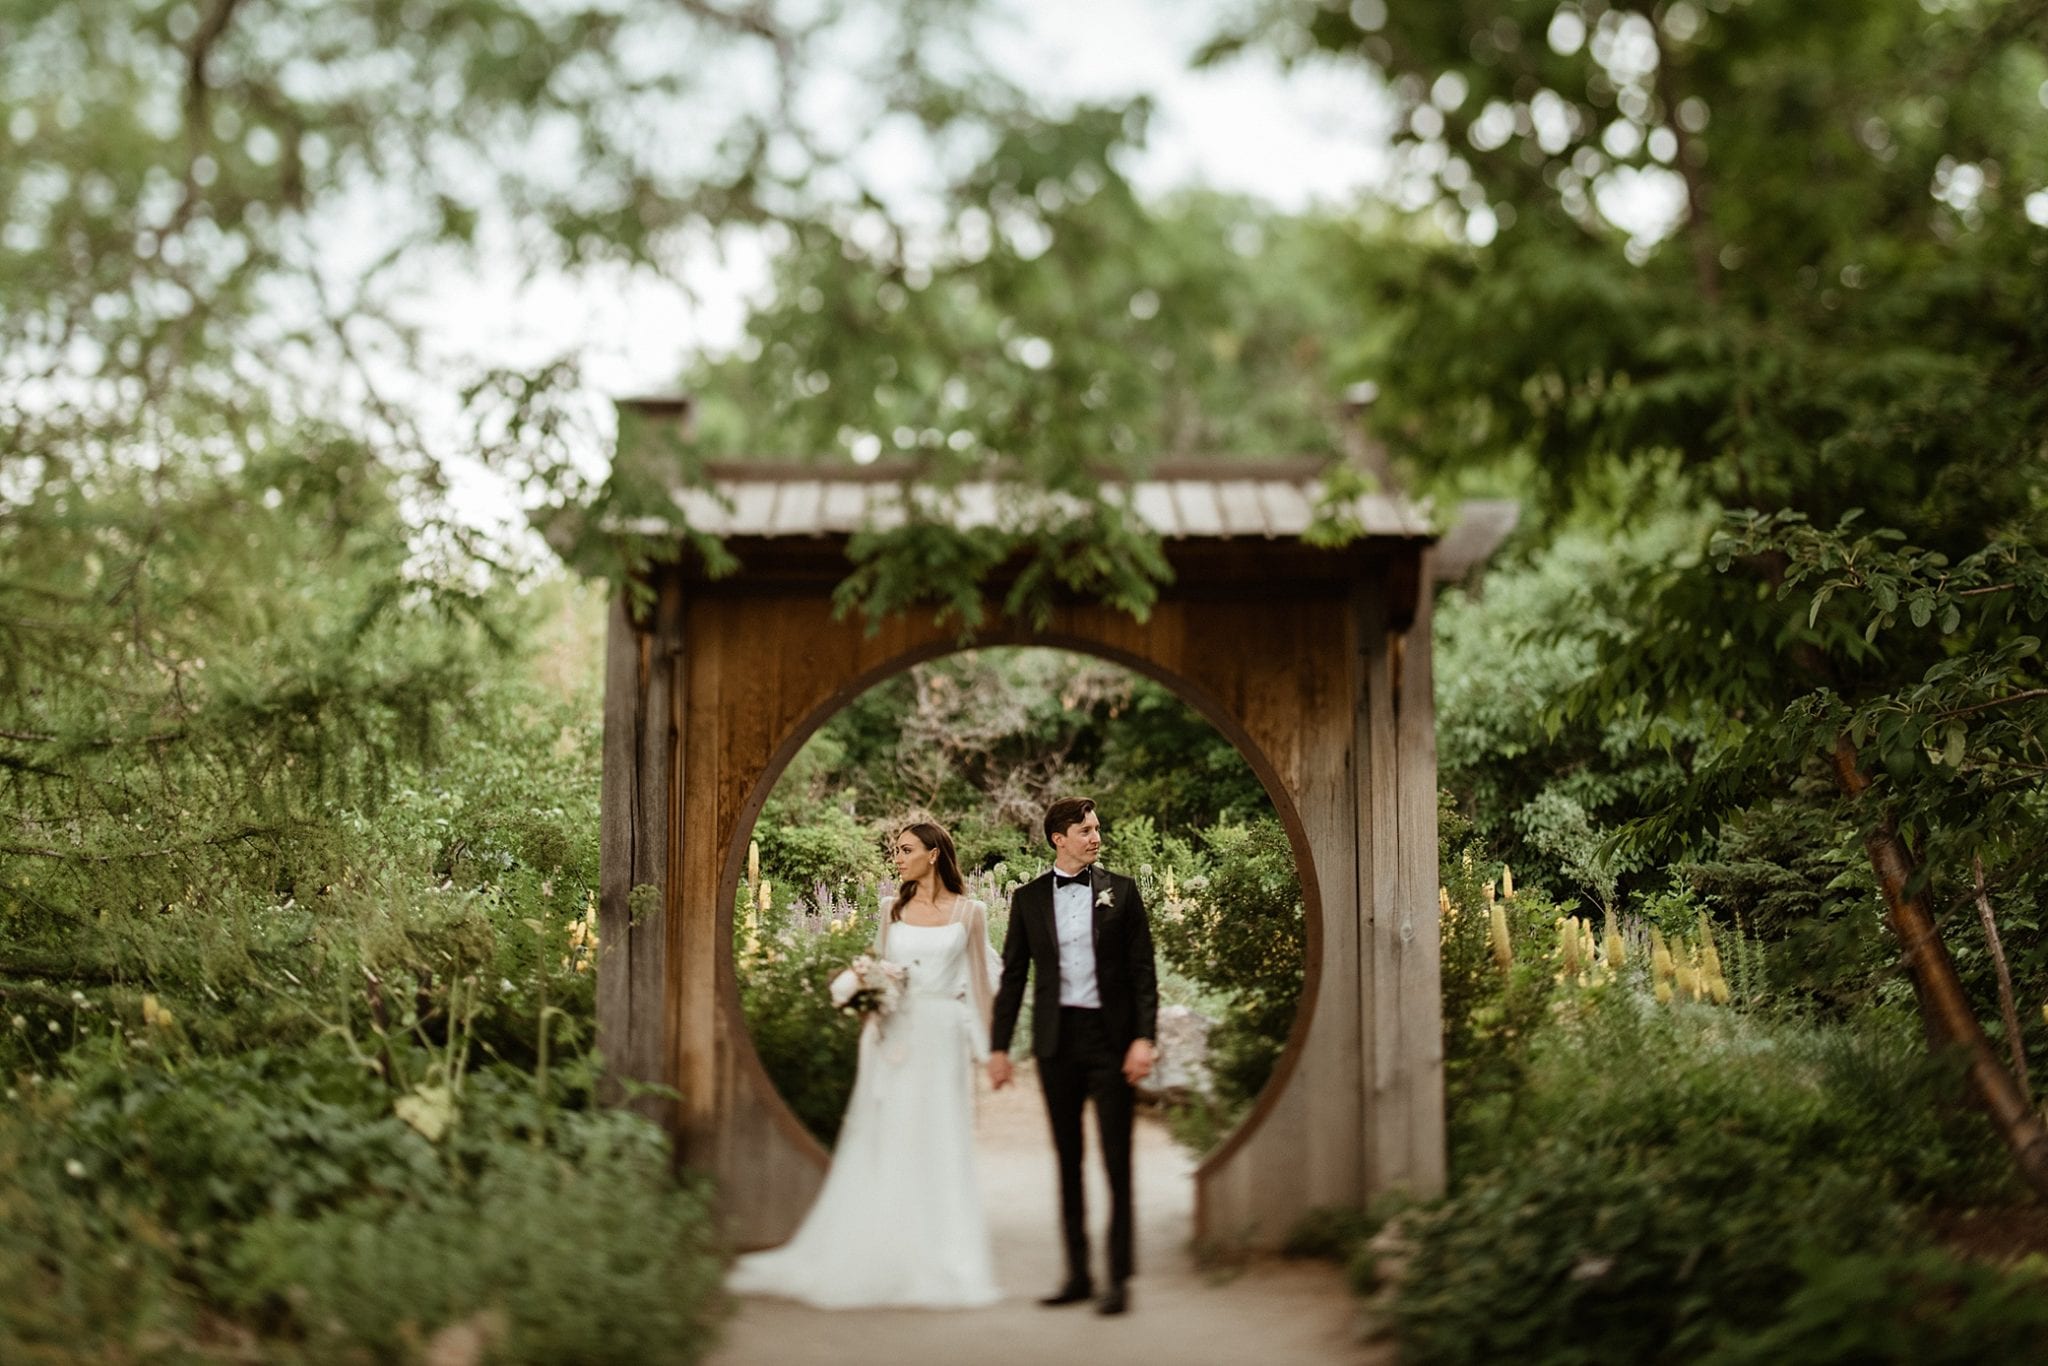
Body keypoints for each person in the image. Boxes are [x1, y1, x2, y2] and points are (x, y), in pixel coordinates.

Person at [726, 820, 1004, 1308]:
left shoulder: (971, 912)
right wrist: (866, 1005)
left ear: (934, 854)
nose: (897, 858)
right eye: (895, 851)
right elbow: (878, 968)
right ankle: (883, 1248)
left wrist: (993, 1053)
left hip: (942, 1034)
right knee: (889, 1132)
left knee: (939, 1135)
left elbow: (981, 987)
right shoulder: (889, 909)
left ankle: (938, 1253)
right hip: (894, 1033)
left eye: (905, 849)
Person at [987, 797, 1159, 1317]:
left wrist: (1143, 1038)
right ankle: (1079, 1275)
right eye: (1085, 830)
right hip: (1057, 1042)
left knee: (1117, 1160)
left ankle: (1119, 1279)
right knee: (1067, 1161)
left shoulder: (1123, 893)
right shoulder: (1028, 899)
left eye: (1098, 829)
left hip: (1112, 1041)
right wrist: (998, 1047)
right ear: (1058, 838)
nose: (1096, 837)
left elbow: (1143, 973)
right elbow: (1014, 976)